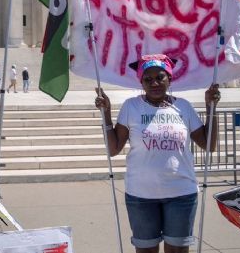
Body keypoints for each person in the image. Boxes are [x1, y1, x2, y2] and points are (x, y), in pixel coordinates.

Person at [94, 54, 220, 253]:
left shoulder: (183, 107)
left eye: (160, 77)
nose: (154, 83)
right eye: (148, 79)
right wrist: (107, 114)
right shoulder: (131, 106)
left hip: (181, 194)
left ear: (170, 78)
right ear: (141, 82)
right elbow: (114, 148)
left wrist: (210, 107)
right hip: (141, 195)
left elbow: (208, 144)